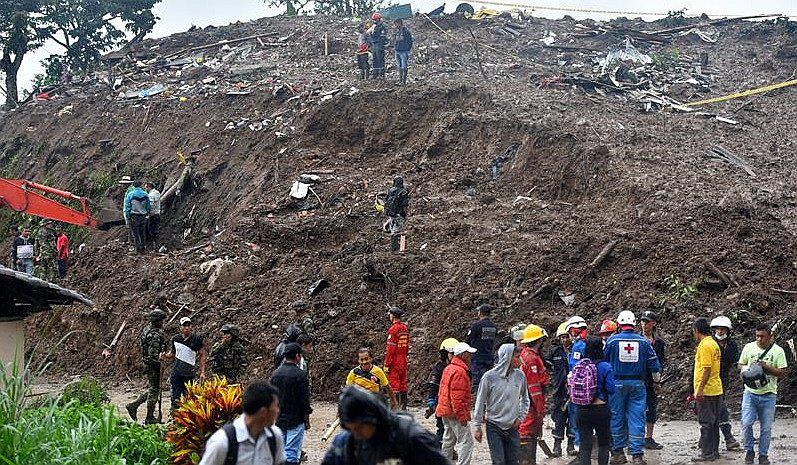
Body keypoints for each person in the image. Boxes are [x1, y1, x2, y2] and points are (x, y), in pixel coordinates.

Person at [321, 386, 449, 465]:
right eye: (351, 429)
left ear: (374, 419)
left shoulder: (412, 438)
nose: (356, 434)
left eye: (360, 428)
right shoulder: (345, 444)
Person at [603, 310, 661, 465]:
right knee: (637, 418)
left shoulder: (612, 341)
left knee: (616, 417)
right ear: (634, 323)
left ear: (619, 324)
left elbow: (603, 362)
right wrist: (656, 382)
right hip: (637, 385)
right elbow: (655, 365)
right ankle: (637, 456)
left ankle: (618, 453)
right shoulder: (643, 342)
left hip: (616, 385)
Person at [199, 381, 286, 465]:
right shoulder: (222, 442)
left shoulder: (274, 437)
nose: (278, 411)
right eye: (276, 406)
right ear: (263, 412)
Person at [738, 323, 788, 465]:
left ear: (770, 337)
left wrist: (765, 367)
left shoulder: (778, 351)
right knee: (747, 423)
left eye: (762, 336)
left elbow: (783, 372)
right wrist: (748, 370)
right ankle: (749, 451)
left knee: (766, 428)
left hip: (769, 394)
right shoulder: (749, 347)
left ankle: (763, 455)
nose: (759, 339)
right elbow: (740, 365)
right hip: (750, 393)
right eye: (757, 336)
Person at [473, 343, 530, 465]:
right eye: (516, 356)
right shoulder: (489, 377)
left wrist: (520, 418)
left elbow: (525, 399)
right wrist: (477, 427)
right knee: (498, 461)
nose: (520, 359)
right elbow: (480, 401)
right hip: (494, 426)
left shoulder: (520, 376)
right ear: (507, 357)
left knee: (513, 461)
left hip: (512, 426)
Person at [571, 336, 616, 465]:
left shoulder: (579, 365)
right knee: (603, 444)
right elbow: (611, 389)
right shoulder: (605, 366)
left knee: (585, 446)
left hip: (582, 409)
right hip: (600, 409)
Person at [270, 343, 312, 465]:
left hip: (279, 418)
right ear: (298, 356)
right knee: (292, 453)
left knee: (280, 451)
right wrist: (306, 419)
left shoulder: (275, 374)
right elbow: (304, 400)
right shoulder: (301, 375)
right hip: (296, 419)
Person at [437, 341, 477, 465]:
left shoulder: (449, 368)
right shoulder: (460, 372)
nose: (470, 356)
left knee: (448, 440)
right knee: (466, 441)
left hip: (445, 411)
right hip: (455, 413)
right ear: (463, 354)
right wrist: (462, 416)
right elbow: (457, 398)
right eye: (469, 353)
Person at [126, 309, 167, 424]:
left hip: (147, 363)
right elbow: (153, 354)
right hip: (152, 364)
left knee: (153, 389)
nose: (162, 322)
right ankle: (149, 417)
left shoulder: (146, 329)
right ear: (157, 321)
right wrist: (159, 364)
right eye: (161, 320)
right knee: (154, 390)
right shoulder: (155, 334)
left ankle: (134, 405)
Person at [692, 317, 723, 462]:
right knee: (714, 422)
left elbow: (706, 370)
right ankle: (714, 452)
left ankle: (707, 453)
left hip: (707, 390)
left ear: (697, 331)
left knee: (705, 422)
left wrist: (699, 389)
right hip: (716, 388)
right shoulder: (714, 344)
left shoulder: (704, 346)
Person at [518, 324, 549, 465]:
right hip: (531, 402)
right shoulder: (531, 359)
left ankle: (528, 460)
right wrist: (540, 408)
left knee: (529, 430)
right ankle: (527, 461)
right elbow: (534, 387)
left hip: (527, 400)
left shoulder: (526, 355)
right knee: (527, 430)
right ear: (539, 340)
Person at [710, 316, 741, 451]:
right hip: (709, 378)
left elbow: (735, 361)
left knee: (717, 407)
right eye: (718, 329)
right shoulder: (709, 343)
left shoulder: (732, 345)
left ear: (728, 331)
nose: (720, 331)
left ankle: (706, 440)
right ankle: (728, 437)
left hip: (723, 380)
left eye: (723, 329)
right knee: (718, 408)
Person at [164, 316, 207, 410]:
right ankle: (174, 418)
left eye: (188, 325)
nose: (186, 327)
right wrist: (165, 356)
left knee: (189, 398)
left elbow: (202, 354)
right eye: (184, 325)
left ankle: (187, 420)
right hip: (176, 373)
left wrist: (202, 372)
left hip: (189, 374)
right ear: (180, 327)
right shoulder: (175, 339)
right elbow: (172, 353)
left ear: (191, 327)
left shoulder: (196, 339)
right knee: (175, 397)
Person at [546, 321, 574, 457]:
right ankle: (557, 446)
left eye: (566, 336)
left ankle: (571, 445)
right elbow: (547, 365)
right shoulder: (555, 352)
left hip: (574, 391)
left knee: (573, 418)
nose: (564, 339)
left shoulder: (577, 350)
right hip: (559, 390)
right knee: (559, 417)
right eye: (562, 337)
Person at [640, 310, 666, 450]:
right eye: (643, 321)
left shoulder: (659, 343)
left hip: (652, 380)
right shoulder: (636, 340)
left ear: (653, 323)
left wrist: (658, 380)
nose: (644, 325)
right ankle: (635, 437)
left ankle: (648, 437)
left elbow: (661, 362)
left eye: (647, 322)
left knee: (651, 408)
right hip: (638, 378)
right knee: (635, 408)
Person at [427, 337, 458, 445]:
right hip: (441, 403)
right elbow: (434, 385)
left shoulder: (454, 367)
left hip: (450, 404)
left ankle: (446, 449)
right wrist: (431, 400)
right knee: (442, 428)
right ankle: (439, 450)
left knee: (449, 430)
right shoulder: (440, 368)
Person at [566, 315, 588, 452]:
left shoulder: (579, 345)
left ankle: (580, 449)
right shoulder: (588, 342)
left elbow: (575, 366)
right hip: (588, 387)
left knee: (577, 417)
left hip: (579, 387)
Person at [465, 303, 497, 392]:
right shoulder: (494, 327)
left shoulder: (477, 325)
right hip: (489, 356)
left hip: (477, 357)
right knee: (489, 381)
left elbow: (469, 340)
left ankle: (478, 401)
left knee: (478, 382)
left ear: (480, 313)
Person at [384, 306, 409, 410]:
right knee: (403, 384)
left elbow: (390, 349)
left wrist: (386, 364)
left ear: (393, 316)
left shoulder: (393, 329)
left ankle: (395, 408)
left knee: (394, 385)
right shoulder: (405, 328)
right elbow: (407, 345)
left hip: (394, 361)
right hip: (403, 359)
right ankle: (403, 408)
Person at [383, 175, 409, 253]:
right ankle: (397, 249)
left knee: (394, 229)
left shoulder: (390, 190)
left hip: (391, 213)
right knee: (398, 231)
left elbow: (386, 201)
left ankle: (395, 249)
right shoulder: (403, 192)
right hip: (399, 214)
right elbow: (405, 205)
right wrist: (405, 214)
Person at [123, 180, 151, 253]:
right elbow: (148, 206)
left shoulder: (130, 194)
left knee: (135, 234)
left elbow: (127, 207)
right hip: (143, 216)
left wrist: (128, 216)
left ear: (133, 186)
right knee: (142, 232)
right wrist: (147, 213)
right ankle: (143, 248)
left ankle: (138, 249)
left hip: (134, 216)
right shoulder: (145, 194)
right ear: (141, 185)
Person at [393, 19, 413, 85]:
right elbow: (395, 41)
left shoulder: (406, 32)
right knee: (399, 67)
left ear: (400, 23)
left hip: (404, 52)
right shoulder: (397, 32)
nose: (395, 25)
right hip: (397, 51)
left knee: (404, 67)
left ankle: (403, 81)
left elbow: (410, 41)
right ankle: (400, 81)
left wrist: (407, 49)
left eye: (396, 24)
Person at [368, 13, 387, 78]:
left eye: (375, 20)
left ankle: (381, 74)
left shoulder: (382, 26)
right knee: (375, 59)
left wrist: (381, 45)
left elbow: (382, 37)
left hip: (379, 44)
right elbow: (368, 33)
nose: (374, 21)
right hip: (374, 44)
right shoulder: (374, 26)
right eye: (373, 20)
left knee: (380, 59)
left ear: (378, 19)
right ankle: (375, 74)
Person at [145, 182, 161, 251]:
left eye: (146, 187)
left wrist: (145, 212)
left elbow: (150, 205)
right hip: (157, 213)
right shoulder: (157, 192)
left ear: (149, 187)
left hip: (152, 215)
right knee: (155, 229)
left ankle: (153, 247)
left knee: (151, 230)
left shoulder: (151, 195)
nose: (145, 189)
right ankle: (156, 245)